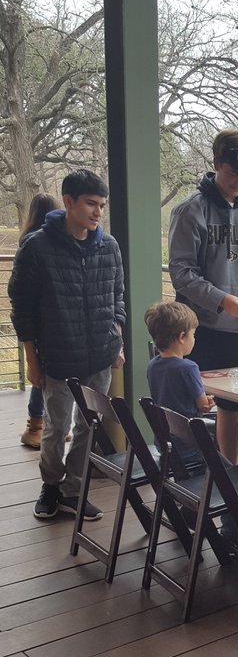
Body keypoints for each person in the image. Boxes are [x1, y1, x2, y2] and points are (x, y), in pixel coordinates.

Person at [8, 169, 125, 521]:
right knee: (57, 429)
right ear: (69, 202)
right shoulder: (37, 247)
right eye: (91, 204)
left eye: (102, 205)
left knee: (90, 426)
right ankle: (51, 486)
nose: (98, 212)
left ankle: (74, 490)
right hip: (57, 357)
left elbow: (117, 297)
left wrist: (116, 338)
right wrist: (32, 360)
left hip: (100, 358)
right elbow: (23, 310)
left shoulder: (109, 246)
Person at [168, 127, 238, 465]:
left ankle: (228, 479)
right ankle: (192, 480)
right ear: (217, 163)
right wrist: (221, 299)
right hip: (198, 331)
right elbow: (182, 272)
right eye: (235, 173)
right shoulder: (190, 210)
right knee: (192, 409)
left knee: (233, 410)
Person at [145, 301, 215, 471]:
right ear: (182, 337)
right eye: (193, 334)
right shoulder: (188, 368)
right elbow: (203, 405)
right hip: (191, 446)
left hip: (165, 442)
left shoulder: (153, 364)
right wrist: (209, 400)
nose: (194, 339)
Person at [16, 192, 58, 449]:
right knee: (43, 376)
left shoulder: (25, 240)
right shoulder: (41, 244)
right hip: (45, 322)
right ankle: (37, 424)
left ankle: (38, 424)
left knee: (41, 374)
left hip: (36, 322)